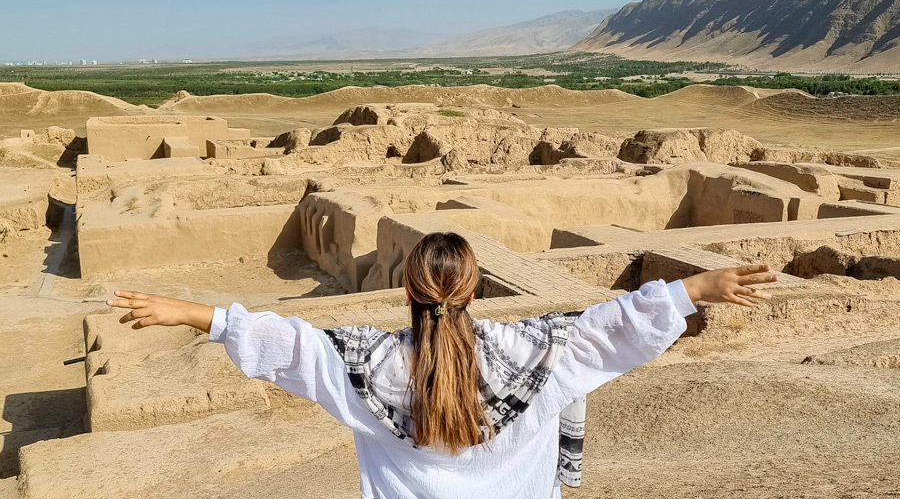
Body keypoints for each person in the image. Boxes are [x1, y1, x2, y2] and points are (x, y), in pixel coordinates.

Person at [108, 232, 776, 499]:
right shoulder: (538, 353)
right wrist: (694, 290)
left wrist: (198, 314)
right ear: (476, 293)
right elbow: (613, 328)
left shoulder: (374, 367)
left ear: (407, 292)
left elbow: (293, 347)